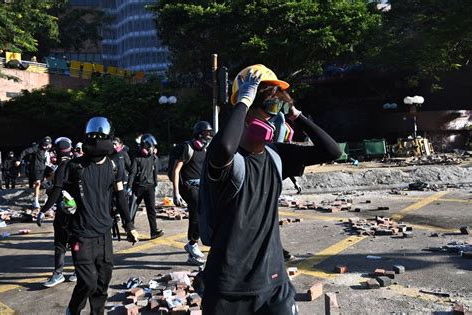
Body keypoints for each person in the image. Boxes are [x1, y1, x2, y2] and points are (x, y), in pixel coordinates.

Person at [199, 64, 342, 314]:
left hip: (274, 285)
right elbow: (223, 148)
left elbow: (332, 151)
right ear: (245, 110)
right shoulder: (226, 160)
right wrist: (243, 100)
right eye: (271, 107)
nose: (276, 116)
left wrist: (295, 115)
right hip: (227, 290)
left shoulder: (277, 155)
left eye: (281, 108)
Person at [47, 117, 138, 315]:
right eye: (92, 138)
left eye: (101, 138)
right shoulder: (74, 167)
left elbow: (120, 196)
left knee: (102, 283)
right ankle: (73, 310)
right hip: (81, 234)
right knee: (87, 282)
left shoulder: (114, 166)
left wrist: (129, 225)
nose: (97, 142)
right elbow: (58, 192)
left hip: (104, 234)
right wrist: (55, 207)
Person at [36, 137, 77, 287]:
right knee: (74, 242)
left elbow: (57, 191)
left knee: (60, 242)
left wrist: (43, 210)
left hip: (63, 212)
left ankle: (58, 273)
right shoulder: (76, 165)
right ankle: (78, 270)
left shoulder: (62, 168)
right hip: (75, 212)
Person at [172, 121, 213, 266]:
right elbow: (176, 170)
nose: (209, 136)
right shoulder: (187, 148)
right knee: (196, 210)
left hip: (200, 185)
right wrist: (176, 193)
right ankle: (192, 243)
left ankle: (194, 247)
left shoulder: (204, 150)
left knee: (208, 212)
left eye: (210, 133)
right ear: (199, 134)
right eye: (207, 133)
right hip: (187, 186)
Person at [126, 133, 163, 239]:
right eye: (152, 146)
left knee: (151, 209)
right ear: (145, 146)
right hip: (138, 187)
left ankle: (154, 231)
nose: (153, 149)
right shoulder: (137, 158)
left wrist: (155, 184)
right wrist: (129, 187)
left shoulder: (154, 158)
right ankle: (130, 231)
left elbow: (155, 172)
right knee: (132, 209)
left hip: (150, 187)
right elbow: (132, 173)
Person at [16, 136, 53, 209]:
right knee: (38, 183)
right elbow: (25, 151)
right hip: (37, 168)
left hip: (45, 167)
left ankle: (45, 183)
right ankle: (35, 201)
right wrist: (19, 160)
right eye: (44, 144)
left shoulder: (49, 147)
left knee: (55, 174)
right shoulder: (36, 148)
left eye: (47, 145)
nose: (45, 146)